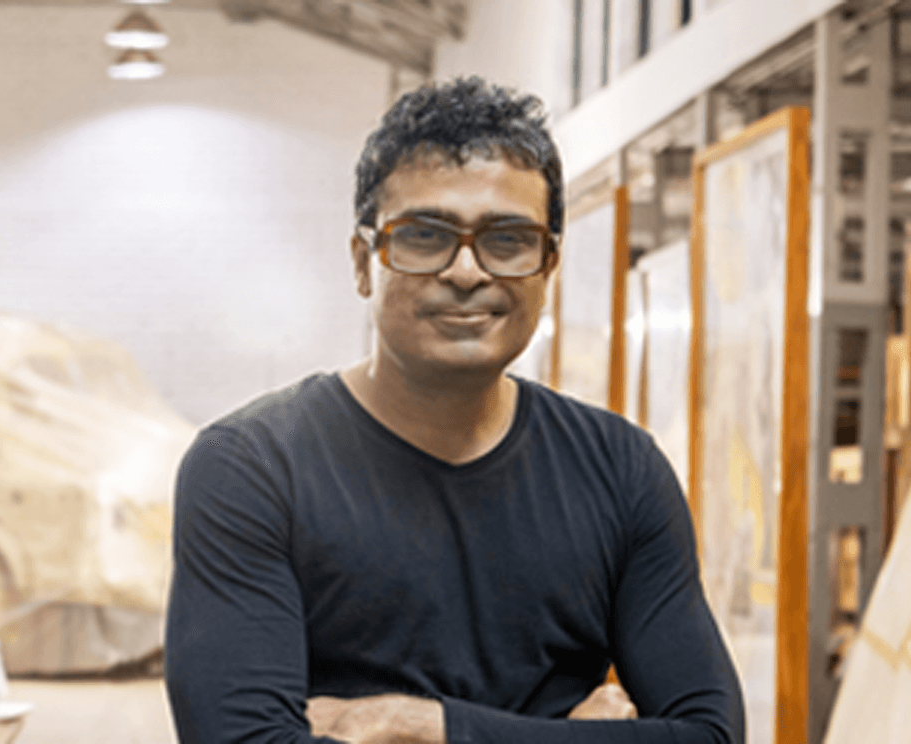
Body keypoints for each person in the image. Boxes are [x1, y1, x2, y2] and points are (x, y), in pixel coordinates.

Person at [164, 77, 745, 744]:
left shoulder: (620, 469)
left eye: (508, 239)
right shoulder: (252, 469)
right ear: (363, 262)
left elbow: (714, 735)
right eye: (424, 235)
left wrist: (411, 724)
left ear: (547, 267)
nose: (467, 271)